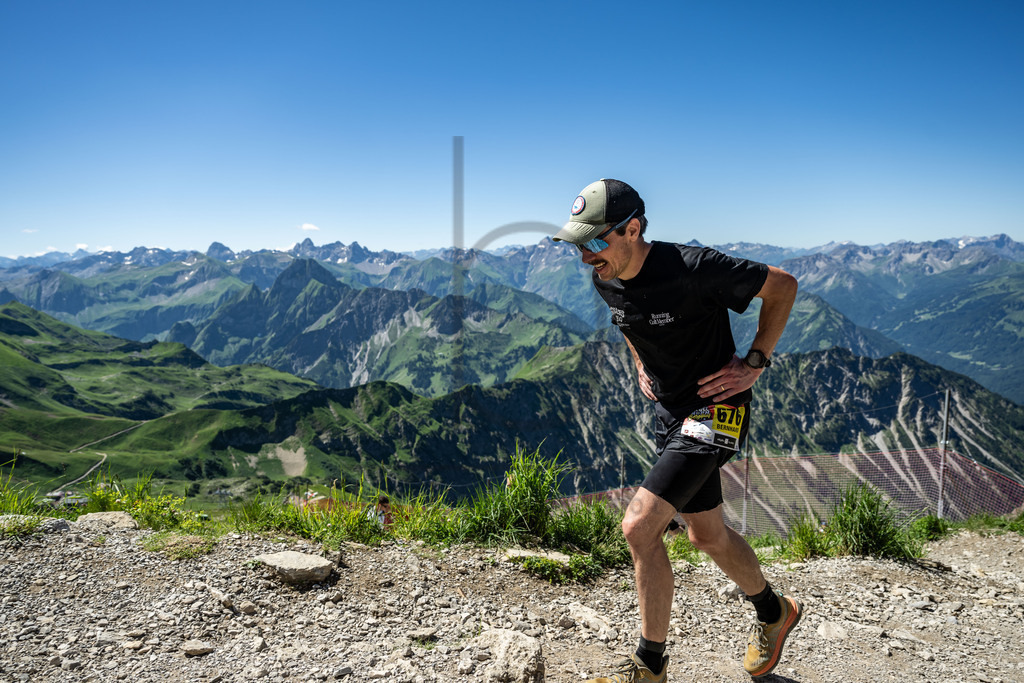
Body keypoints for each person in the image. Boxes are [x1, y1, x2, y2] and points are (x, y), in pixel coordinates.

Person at [552, 179, 801, 682]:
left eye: (595, 242)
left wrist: (756, 360)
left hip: (718, 409)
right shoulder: (606, 277)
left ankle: (648, 666)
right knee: (707, 536)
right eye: (580, 244)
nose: (586, 257)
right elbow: (628, 322)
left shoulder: (694, 268)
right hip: (671, 415)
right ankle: (776, 613)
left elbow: (783, 285)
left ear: (633, 229)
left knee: (639, 527)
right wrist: (642, 362)